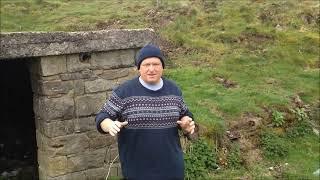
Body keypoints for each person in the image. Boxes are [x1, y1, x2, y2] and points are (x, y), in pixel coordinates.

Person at [95, 44, 195, 180]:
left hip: (172, 169)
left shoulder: (174, 90)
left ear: (162, 66)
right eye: (146, 64)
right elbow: (102, 116)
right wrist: (109, 124)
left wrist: (186, 123)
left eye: (156, 64)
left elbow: (185, 114)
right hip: (137, 170)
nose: (151, 69)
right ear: (139, 68)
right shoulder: (124, 92)